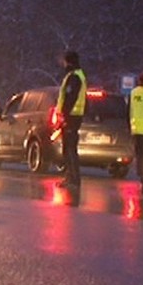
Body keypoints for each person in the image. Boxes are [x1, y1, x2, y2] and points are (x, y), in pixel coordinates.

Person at [55, 50, 87, 190]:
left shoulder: (74, 77)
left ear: (68, 61)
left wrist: (64, 115)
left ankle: (73, 179)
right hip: (74, 116)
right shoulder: (76, 75)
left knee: (70, 149)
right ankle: (70, 177)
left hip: (71, 117)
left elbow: (70, 97)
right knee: (68, 148)